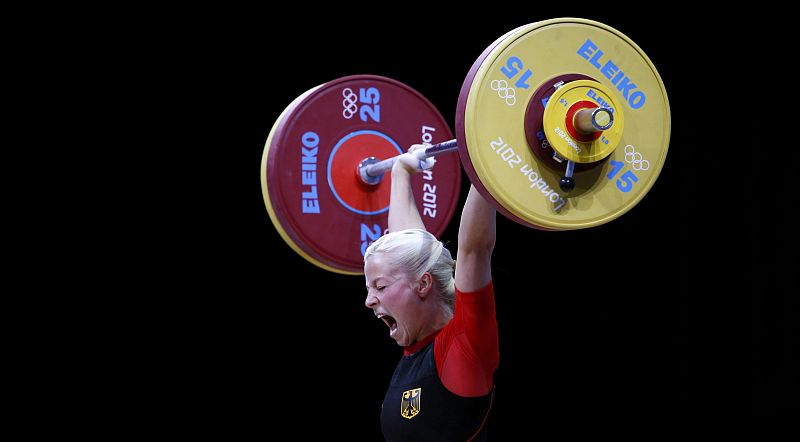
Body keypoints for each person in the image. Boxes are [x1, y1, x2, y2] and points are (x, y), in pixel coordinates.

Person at [364, 144, 498, 441]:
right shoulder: (419, 344)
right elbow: (410, 252)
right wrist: (401, 172)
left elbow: (474, 250)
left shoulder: (463, 347)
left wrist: (490, 165)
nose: (368, 300)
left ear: (423, 285)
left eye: (380, 287)